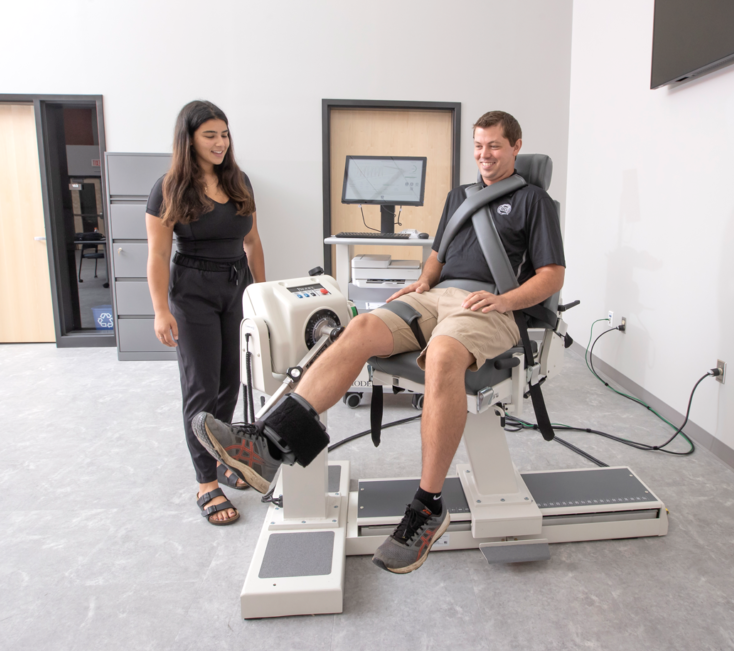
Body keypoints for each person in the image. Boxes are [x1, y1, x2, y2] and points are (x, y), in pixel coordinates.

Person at [194, 110, 564, 566]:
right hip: (438, 295)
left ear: (515, 147)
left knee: (445, 353)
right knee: (361, 327)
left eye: (494, 146)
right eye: (478, 145)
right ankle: (268, 448)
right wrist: (423, 281)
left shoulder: (534, 202)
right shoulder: (460, 197)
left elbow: (551, 275)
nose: (484, 155)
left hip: (487, 305)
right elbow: (439, 253)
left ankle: (428, 507)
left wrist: (507, 301)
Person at [146, 100, 266, 526]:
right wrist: (161, 310)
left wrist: (260, 294)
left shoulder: (238, 180)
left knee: (230, 384)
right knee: (201, 388)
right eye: (209, 135)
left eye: (225, 134)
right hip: (192, 292)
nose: (220, 143)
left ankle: (220, 460)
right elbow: (158, 256)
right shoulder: (168, 188)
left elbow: (252, 243)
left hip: (236, 288)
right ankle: (205, 482)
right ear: (189, 138)